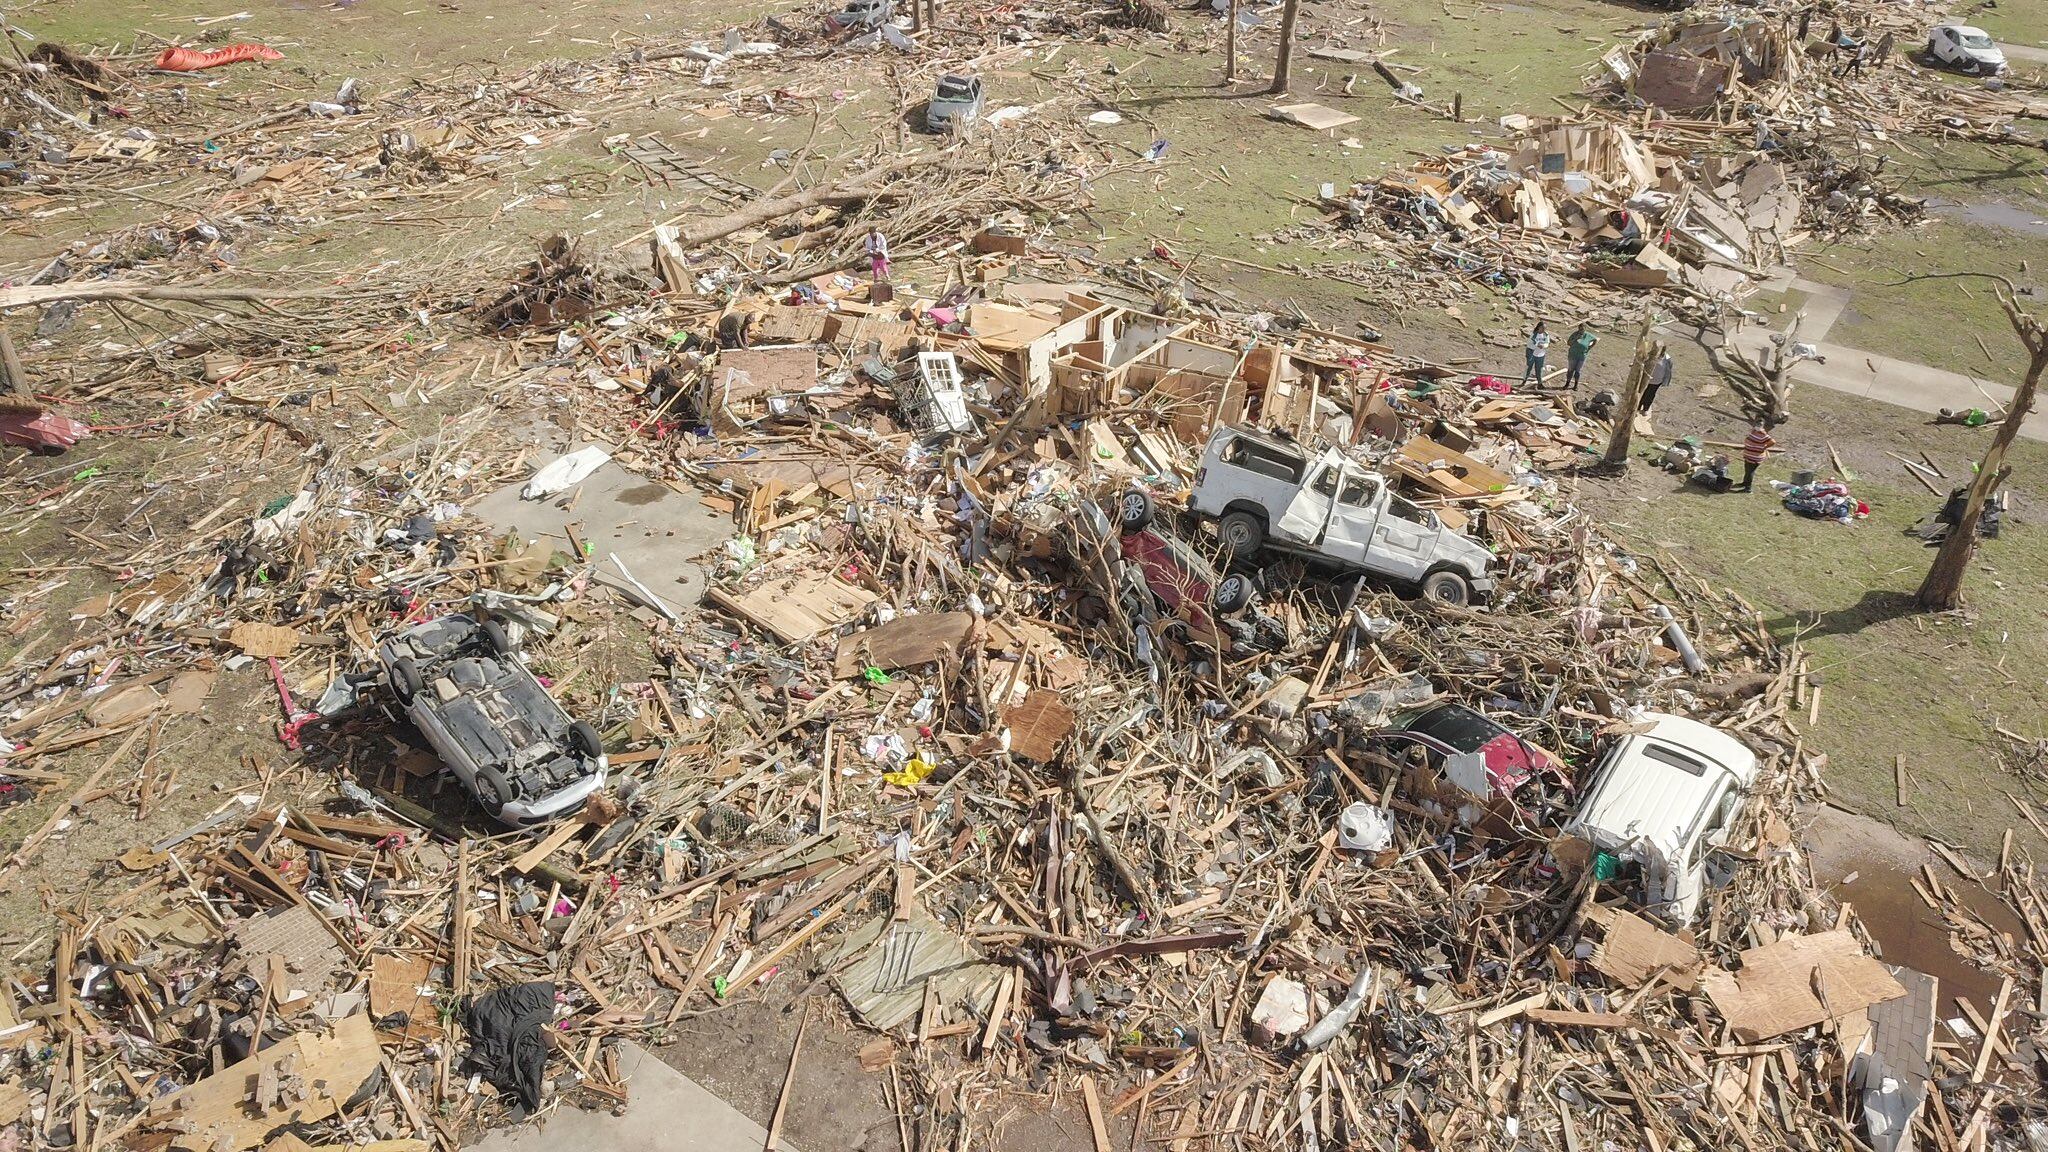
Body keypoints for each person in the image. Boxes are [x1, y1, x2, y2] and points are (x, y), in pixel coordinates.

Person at [1738, 419, 1775, 492]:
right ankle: (1744, 483)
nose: (1757, 426)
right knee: (1747, 470)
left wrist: (1765, 447)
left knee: (1750, 472)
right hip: (1748, 456)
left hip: (1755, 458)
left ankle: (1748, 488)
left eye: (1759, 425)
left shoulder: (1763, 434)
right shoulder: (1754, 431)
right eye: (1757, 424)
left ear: (1762, 426)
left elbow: (1773, 441)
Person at [1640, 348, 1673, 414]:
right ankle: (1637, 407)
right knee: (1642, 393)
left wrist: (1665, 379)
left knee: (1650, 395)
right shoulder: (1649, 354)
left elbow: (1670, 367)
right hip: (1646, 379)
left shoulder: (1667, 357)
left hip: (1657, 381)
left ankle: (1645, 409)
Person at [1564, 323, 1597, 389]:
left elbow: (1595, 339)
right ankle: (1567, 383)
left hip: (1582, 356)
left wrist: (1590, 347)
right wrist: (1575, 338)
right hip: (1573, 355)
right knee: (1571, 370)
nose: (1581, 331)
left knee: (1578, 371)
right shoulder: (1575, 334)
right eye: (1580, 329)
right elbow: (1568, 343)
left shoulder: (1588, 335)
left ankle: (1575, 385)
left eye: (1582, 329)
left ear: (1585, 329)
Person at [1520, 322, 1551, 389]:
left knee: (1539, 369)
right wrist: (1537, 345)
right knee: (1529, 367)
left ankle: (1540, 383)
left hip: (1540, 354)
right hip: (1532, 353)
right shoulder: (1533, 334)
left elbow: (1547, 343)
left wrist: (1544, 346)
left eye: (1545, 328)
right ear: (1539, 327)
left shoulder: (1546, 334)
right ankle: (1524, 381)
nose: (1544, 330)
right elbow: (1531, 343)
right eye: (1543, 328)